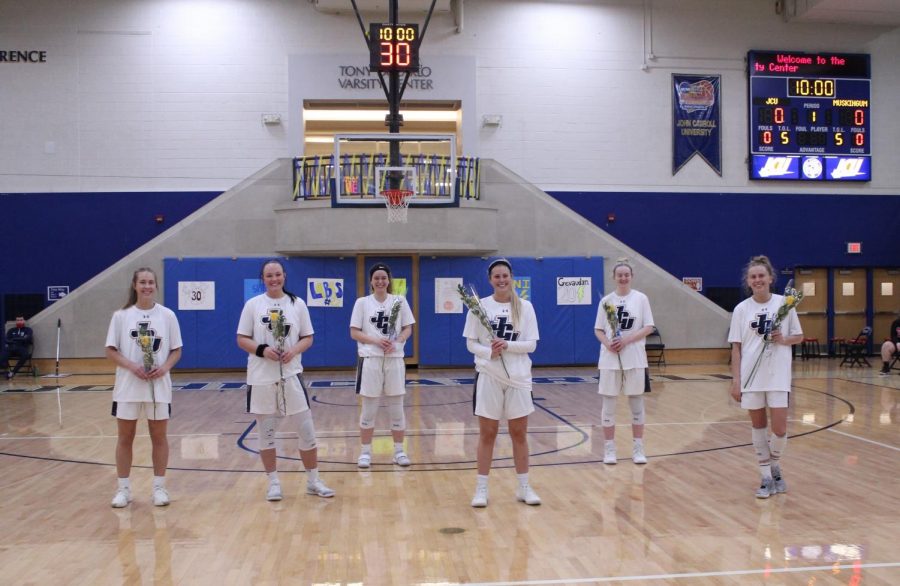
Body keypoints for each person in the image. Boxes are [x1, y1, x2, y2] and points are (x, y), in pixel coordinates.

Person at [236, 259, 334, 501]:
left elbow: (308, 337)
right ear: (263, 279)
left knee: (306, 430)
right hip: (261, 378)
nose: (274, 279)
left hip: (291, 375)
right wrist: (262, 350)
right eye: (269, 275)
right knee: (266, 433)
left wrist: (294, 351)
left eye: (277, 274)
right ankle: (274, 483)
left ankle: (313, 480)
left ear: (284, 276)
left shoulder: (297, 304)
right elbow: (241, 338)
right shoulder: (253, 305)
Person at [463, 258, 541, 507]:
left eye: (505, 275)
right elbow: (471, 343)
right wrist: (489, 352)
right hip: (489, 376)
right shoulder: (478, 307)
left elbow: (531, 344)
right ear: (490, 280)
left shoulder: (525, 307)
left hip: (518, 378)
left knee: (519, 433)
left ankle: (524, 487)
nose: (501, 280)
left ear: (511, 277)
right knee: (488, 433)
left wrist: (507, 345)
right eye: (496, 276)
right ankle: (481, 489)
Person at [105, 268, 183, 508]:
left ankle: (159, 488)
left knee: (158, 437)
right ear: (135, 285)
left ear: (156, 286)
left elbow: (176, 350)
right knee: (125, 438)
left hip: (158, 386)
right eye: (142, 282)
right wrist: (132, 366)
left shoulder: (167, 316)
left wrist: (164, 368)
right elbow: (110, 350)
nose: (147, 286)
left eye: (151, 282)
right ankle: (123, 490)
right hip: (128, 386)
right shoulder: (121, 316)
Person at [728, 255, 803, 499]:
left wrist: (784, 339)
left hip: (778, 375)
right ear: (748, 282)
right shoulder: (741, 309)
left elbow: (798, 336)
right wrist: (736, 380)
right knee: (758, 426)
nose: (758, 280)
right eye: (753, 277)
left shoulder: (785, 304)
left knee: (779, 428)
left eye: (762, 276)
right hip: (751, 377)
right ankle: (766, 477)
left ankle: (774, 465)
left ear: (771, 278)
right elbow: (736, 348)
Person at [350, 263, 416, 468]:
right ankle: (365, 452)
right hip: (370, 359)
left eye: (383, 278)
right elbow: (354, 332)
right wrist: (376, 341)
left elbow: (408, 328)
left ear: (389, 280)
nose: (380, 281)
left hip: (394, 360)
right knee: (369, 407)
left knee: (397, 407)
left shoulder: (400, 301)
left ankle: (399, 451)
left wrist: (397, 342)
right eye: (376, 278)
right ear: (371, 281)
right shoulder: (362, 303)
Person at [594, 259, 655, 466]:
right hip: (610, 360)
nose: (623, 278)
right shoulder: (606, 301)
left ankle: (638, 448)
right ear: (614, 277)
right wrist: (609, 343)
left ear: (631, 276)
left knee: (636, 404)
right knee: (609, 405)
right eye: (619, 275)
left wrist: (626, 340)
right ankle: (609, 449)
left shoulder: (641, 299)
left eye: (626, 275)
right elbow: (598, 329)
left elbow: (648, 327)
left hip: (635, 358)